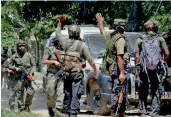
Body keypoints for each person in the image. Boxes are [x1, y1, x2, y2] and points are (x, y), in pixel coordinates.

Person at [55, 15, 98, 117]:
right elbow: (90, 59)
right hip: (77, 74)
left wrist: (60, 23)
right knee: (76, 94)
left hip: (66, 73)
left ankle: (67, 113)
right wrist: (95, 69)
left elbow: (57, 32)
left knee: (67, 93)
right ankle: (73, 114)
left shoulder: (65, 42)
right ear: (78, 32)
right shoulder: (82, 45)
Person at [135, 19, 169, 117]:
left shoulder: (140, 39)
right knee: (156, 89)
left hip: (143, 68)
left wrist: (137, 70)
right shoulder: (160, 39)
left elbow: (137, 56)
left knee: (142, 89)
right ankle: (154, 112)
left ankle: (143, 111)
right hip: (156, 69)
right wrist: (163, 61)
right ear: (156, 27)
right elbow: (167, 53)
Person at [96, 13, 128, 117]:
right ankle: (115, 113)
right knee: (118, 91)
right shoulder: (120, 40)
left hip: (112, 68)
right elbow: (120, 57)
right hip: (118, 69)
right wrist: (122, 73)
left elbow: (102, 31)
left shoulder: (111, 36)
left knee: (119, 91)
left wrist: (100, 22)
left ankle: (121, 113)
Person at [8, 41, 36, 112]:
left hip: (27, 77)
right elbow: (8, 65)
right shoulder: (14, 56)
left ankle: (27, 105)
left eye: (23, 46)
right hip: (19, 78)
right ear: (17, 47)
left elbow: (34, 65)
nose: (22, 47)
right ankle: (21, 107)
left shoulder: (29, 55)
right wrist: (15, 68)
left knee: (31, 92)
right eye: (20, 46)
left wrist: (31, 72)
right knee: (19, 93)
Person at [42, 36, 64, 117]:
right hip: (51, 74)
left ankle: (58, 110)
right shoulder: (49, 50)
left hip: (61, 74)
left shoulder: (63, 50)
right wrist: (54, 62)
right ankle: (50, 107)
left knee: (61, 92)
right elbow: (43, 61)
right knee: (51, 93)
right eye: (60, 41)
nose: (61, 43)